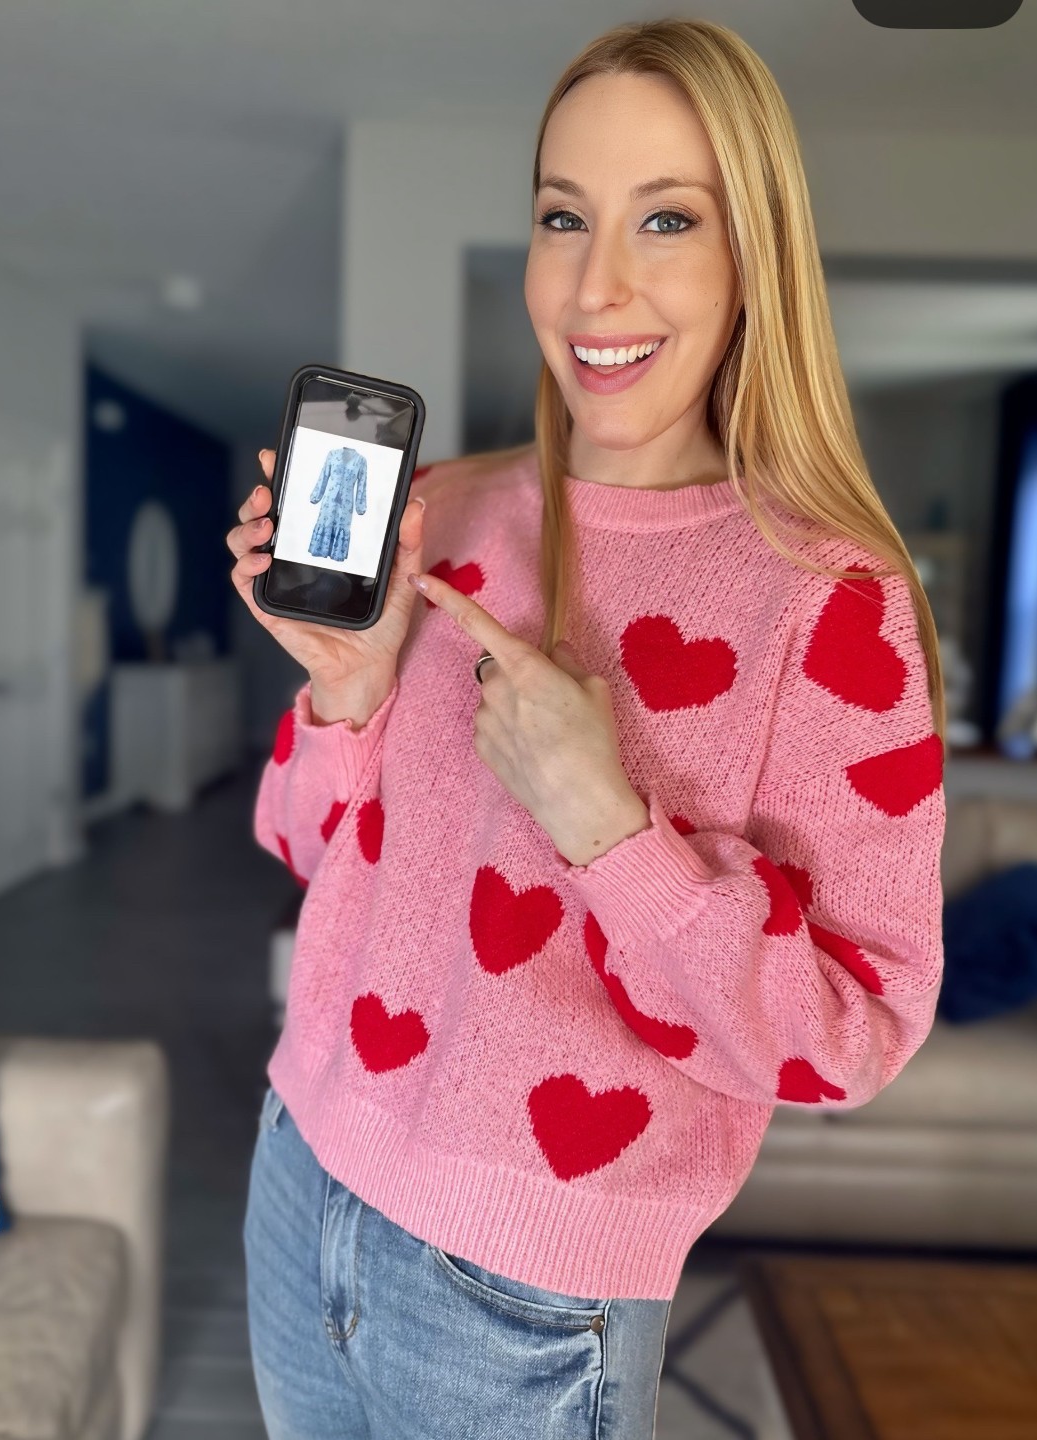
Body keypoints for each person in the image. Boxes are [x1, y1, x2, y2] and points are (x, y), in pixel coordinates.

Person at [225, 18, 947, 1440]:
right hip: (298, 1168)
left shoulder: (829, 601)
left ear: (754, 259)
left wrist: (608, 829)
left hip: (524, 1290)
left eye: (666, 219)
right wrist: (347, 691)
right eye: (563, 216)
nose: (593, 283)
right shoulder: (443, 509)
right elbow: (310, 853)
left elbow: (851, 1035)